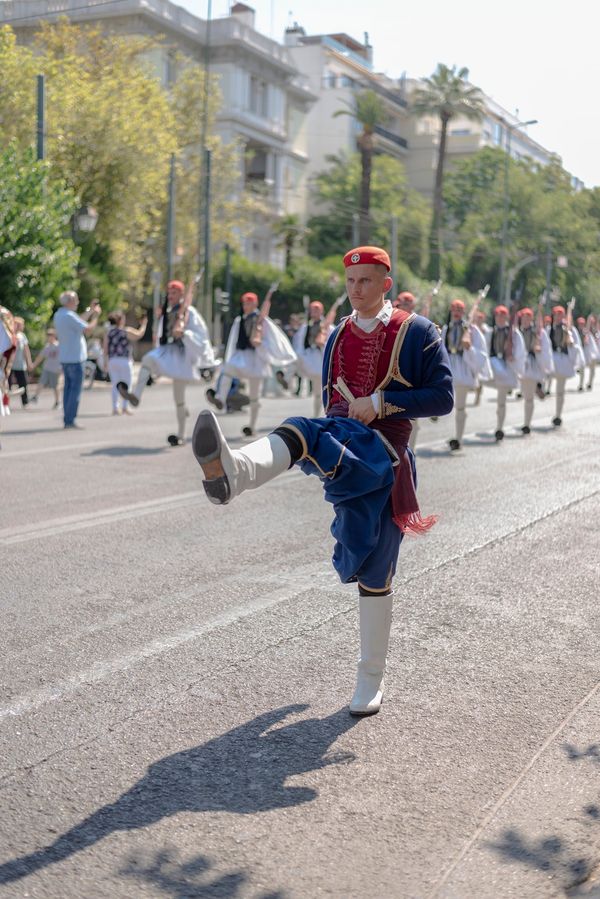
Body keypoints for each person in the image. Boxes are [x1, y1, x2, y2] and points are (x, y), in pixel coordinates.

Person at [192, 246, 453, 717]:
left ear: (385, 284)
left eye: (366, 282)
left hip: (388, 459)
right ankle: (234, 473)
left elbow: (443, 397)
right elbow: (330, 400)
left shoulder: (417, 332)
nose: (356, 291)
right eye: (351, 283)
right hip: (345, 448)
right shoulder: (337, 334)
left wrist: (382, 402)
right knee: (308, 430)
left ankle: (370, 680)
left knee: (375, 573)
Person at [117, 280, 215, 446]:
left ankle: (181, 435)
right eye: (169, 293)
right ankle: (136, 396)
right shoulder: (168, 311)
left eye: (174, 293)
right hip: (169, 352)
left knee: (179, 398)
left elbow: (200, 335)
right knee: (147, 360)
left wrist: (184, 333)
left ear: (182, 295)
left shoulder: (189, 312)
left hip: (183, 356)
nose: (170, 296)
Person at [206, 285, 297, 437]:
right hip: (241, 357)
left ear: (255, 304)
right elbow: (234, 340)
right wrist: (230, 356)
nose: (245, 306)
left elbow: (272, 340)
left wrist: (260, 343)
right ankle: (220, 399)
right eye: (244, 303)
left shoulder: (262, 321)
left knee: (255, 396)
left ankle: (252, 426)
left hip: (256, 359)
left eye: (248, 303)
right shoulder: (239, 320)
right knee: (227, 369)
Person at [441, 299, 491, 451]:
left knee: (460, 407)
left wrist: (469, 349)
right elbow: (441, 348)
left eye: (459, 309)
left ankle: (458, 438)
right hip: (449, 366)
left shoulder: (471, 330)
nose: (456, 312)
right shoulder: (446, 328)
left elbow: (482, 353)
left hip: (462, 367)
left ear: (463, 312)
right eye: (453, 309)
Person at [53, 292, 101, 429]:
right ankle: (70, 420)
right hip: (75, 358)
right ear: (69, 301)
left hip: (66, 357)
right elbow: (87, 328)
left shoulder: (60, 314)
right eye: (76, 300)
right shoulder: (68, 316)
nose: (78, 302)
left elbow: (78, 320)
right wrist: (96, 316)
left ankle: (67, 417)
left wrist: (90, 311)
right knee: (75, 391)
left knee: (68, 389)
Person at [292, 297, 344, 416]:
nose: (314, 312)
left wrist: (322, 344)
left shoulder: (328, 327)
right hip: (309, 359)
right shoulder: (305, 327)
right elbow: (299, 343)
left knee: (320, 392)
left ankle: (319, 414)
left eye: (317, 310)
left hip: (321, 360)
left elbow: (334, 344)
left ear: (322, 311)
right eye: (312, 310)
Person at [485, 304, 525, 441]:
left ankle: (499, 428)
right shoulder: (491, 332)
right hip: (493, 367)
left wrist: (513, 358)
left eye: (503, 316)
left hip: (506, 368)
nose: (500, 318)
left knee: (501, 401)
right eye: (498, 315)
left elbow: (520, 351)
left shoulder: (513, 333)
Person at [102, 310, 147, 415]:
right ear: (120, 320)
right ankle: (125, 407)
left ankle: (115, 408)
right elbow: (139, 334)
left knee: (115, 385)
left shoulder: (108, 333)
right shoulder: (125, 331)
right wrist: (144, 324)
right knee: (127, 384)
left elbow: (105, 349)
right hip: (124, 360)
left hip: (113, 360)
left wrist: (105, 362)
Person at [517, 306, 553, 434]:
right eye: (524, 318)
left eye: (528, 318)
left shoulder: (537, 332)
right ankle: (537, 388)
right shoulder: (518, 331)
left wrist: (539, 350)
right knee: (526, 394)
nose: (525, 320)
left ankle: (527, 424)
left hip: (532, 365)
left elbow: (546, 348)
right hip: (521, 364)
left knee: (528, 398)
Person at [547, 304, 582, 427]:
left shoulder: (569, 330)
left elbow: (576, 345)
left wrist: (570, 343)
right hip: (552, 361)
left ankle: (558, 414)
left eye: (560, 314)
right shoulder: (549, 329)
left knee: (560, 391)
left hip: (562, 361)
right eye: (556, 314)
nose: (558, 317)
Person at [30, 328, 61, 408]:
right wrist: (33, 365)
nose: (49, 337)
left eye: (51, 335)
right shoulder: (47, 347)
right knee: (41, 382)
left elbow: (63, 358)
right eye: (48, 335)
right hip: (47, 368)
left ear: (54, 336)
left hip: (55, 369)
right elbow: (40, 357)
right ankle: (35, 396)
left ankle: (57, 401)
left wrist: (62, 369)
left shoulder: (58, 346)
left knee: (55, 386)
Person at [8, 317, 33, 407]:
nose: (20, 326)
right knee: (8, 384)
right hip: (9, 364)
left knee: (23, 383)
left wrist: (29, 362)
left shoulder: (22, 336)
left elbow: (26, 350)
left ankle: (25, 401)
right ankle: (6, 402)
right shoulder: (9, 334)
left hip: (20, 364)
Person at [575, 316, 599, 392]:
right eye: (580, 324)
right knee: (582, 370)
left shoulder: (592, 331)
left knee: (593, 370)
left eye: (582, 324)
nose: (581, 325)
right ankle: (581, 385)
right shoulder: (577, 332)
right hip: (583, 354)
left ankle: (590, 383)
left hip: (593, 353)